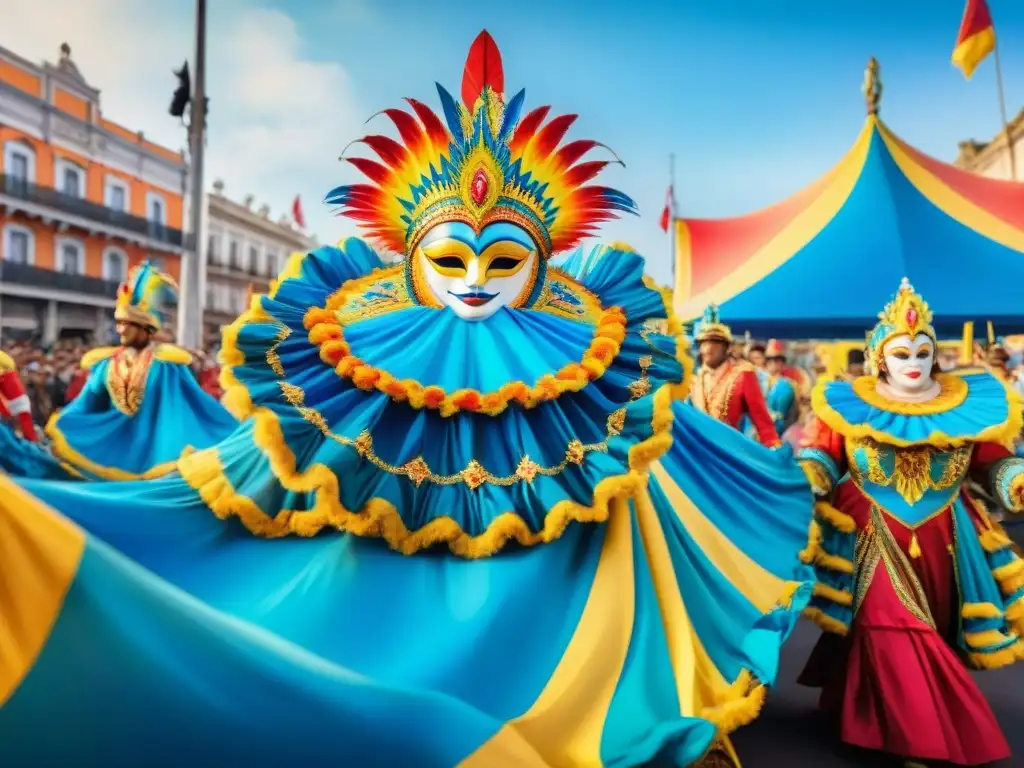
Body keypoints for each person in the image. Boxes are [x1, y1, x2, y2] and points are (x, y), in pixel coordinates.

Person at [0, 31, 816, 767]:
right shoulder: (340, 351)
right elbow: (242, 478)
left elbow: (655, 505)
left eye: (499, 261)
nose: (471, 283)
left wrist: (770, 471)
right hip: (352, 624)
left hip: (561, 642)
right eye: (451, 258)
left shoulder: (598, 358)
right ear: (413, 255)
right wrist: (76, 520)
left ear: (539, 261)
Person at [796, 277, 1024, 767]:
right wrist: (810, 476)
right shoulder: (846, 406)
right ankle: (918, 736)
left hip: (947, 541)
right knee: (891, 623)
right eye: (902, 355)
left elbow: (995, 459)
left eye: (923, 353)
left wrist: (1015, 480)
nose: (914, 364)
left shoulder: (962, 406)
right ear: (880, 358)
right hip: (871, 531)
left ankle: (863, 711)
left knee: (927, 628)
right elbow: (822, 454)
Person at [42, 261, 237, 480]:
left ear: (146, 330)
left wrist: (173, 455)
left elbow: (182, 407)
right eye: (119, 323)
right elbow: (87, 403)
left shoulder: (165, 364)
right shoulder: (104, 363)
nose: (120, 329)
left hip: (156, 450)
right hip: (112, 447)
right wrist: (62, 426)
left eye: (127, 324)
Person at [691, 304, 781, 447]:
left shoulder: (743, 375)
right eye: (703, 343)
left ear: (727, 348)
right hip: (696, 452)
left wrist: (775, 450)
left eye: (715, 343)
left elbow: (763, 423)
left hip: (729, 453)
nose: (708, 348)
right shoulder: (694, 379)